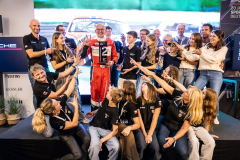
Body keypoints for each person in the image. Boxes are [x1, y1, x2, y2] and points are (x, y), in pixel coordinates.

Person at [135, 66, 203, 160]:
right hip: (166, 124)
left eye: (187, 92)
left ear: (191, 98)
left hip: (178, 129)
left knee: (183, 152)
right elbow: (165, 85)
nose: (185, 90)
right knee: (161, 144)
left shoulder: (191, 110)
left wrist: (173, 139)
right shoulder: (179, 96)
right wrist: (153, 75)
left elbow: (184, 128)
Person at [32, 70, 91, 160]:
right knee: (77, 156)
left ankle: (83, 156)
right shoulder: (54, 122)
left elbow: (69, 89)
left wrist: (74, 76)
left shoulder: (60, 101)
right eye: (57, 104)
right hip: (66, 134)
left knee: (87, 139)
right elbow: (74, 123)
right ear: (54, 111)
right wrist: (75, 108)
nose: (59, 101)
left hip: (75, 126)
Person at [178, 30, 228, 124]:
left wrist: (201, 54)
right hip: (203, 74)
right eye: (212, 36)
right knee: (193, 91)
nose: (212, 38)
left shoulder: (223, 48)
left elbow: (214, 60)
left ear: (219, 39)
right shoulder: (204, 48)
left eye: (214, 36)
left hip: (216, 74)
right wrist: (184, 50)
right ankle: (191, 112)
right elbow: (193, 57)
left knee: (214, 96)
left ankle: (214, 116)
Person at [50, 32, 88, 123]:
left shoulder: (67, 49)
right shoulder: (53, 52)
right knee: (62, 98)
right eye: (60, 38)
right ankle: (63, 118)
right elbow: (55, 67)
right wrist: (66, 61)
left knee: (76, 97)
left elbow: (76, 60)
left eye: (63, 38)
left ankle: (80, 118)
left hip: (71, 75)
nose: (63, 39)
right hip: (60, 77)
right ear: (56, 40)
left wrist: (78, 50)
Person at [81, 24, 118, 111]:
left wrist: (112, 62)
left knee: (105, 92)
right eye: (98, 29)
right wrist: (86, 46)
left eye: (102, 29)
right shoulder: (92, 42)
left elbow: (115, 56)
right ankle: (94, 115)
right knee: (94, 91)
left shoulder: (111, 42)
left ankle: (103, 115)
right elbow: (83, 56)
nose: (100, 31)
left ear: (105, 31)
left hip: (106, 70)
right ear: (95, 31)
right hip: (95, 70)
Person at [23, 19, 55, 109]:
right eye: (34, 25)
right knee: (37, 93)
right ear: (30, 26)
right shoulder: (27, 38)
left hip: (45, 69)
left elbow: (50, 53)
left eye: (38, 25)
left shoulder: (44, 39)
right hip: (34, 70)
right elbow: (30, 54)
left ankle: (49, 113)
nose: (37, 27)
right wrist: (45, 51)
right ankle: (38, 115)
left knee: (49, 91)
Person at [85, 87, 123, 160]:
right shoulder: (106, 100)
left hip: (105, 130)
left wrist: (102, 140)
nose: (107, 92)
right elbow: (101, 109)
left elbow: (115, 131)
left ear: (111, 98)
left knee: (116, 146)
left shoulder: (115, 112)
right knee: (95, 144)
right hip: (93, 127)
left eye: (109, 93)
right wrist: (93, 113)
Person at [188, 88, 218, 160]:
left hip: (198, 127)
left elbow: (206, 121)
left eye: (203, 93)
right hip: (188, 125)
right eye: (202, 91)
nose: (201, 92)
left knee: (211, 142)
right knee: (194, 141)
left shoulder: (207, 107)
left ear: (207, 99)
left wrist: (206, 134)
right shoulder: (194, 99)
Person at [134, 82, 161, 160]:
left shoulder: (157, 101)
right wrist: (145, 135)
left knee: (155, 147)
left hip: (151, 128)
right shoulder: (138, 100)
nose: (142, 86)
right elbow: (139, 119)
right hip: (140, 127)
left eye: (145, 85)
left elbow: (155, 119)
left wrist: (150, 134)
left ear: (150, 88)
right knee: (142, 145)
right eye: (142, 85)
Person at [117, 80, 140, 160]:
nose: (120, 87)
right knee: (129, 137)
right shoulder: (119, 98)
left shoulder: (131, 105)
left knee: (124, 143)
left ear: (125, 89)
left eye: (122, 86)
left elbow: (138, 124)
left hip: (125, 126)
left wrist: (129, 128)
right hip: (115, 124)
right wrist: (94, 112)